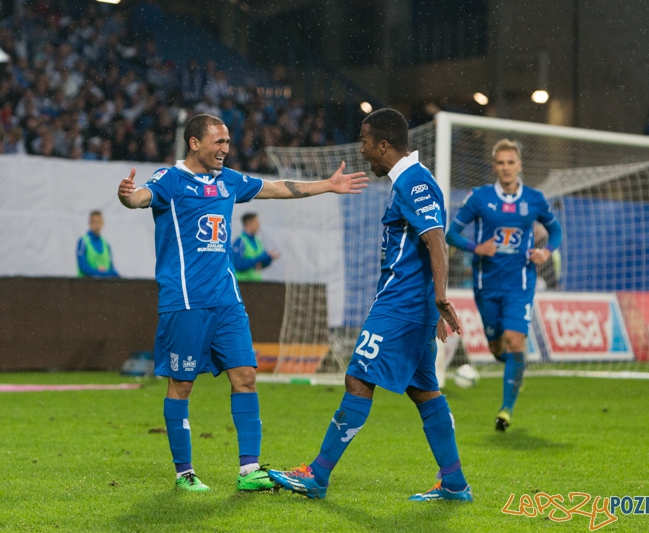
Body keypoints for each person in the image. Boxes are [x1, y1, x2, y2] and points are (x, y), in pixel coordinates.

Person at [116, 114, 368, 493]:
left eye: (228, 142)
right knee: (181, 384)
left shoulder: (228, 181)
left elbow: (277, 188)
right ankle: (184, 472)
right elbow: (140, 197)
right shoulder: (170, 179)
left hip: (227, 301)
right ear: (194, 143)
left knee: (246, 377)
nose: (225, 148)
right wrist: (127, 196)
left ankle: (249, 470)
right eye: (218, 142)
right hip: (185, 302)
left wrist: (328, 186)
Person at [268, 108, 472, 502]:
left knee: (358, 379)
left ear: (383, 145)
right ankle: (454, 483)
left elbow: (436, 241)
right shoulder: (408, 181)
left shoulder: (414, 182)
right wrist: (431, 304)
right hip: (411, 306)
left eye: (364, 142)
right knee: (424, 391)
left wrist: (440, 298)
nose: (361, 151)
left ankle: (317, 475)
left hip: (400, 306)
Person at [445, 139, 562, 432]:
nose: (506, 167)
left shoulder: (534, 199)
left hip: (520, 282)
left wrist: (546, 252)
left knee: (515, 340)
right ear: (494, 166)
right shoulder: (480, 197)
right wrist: (476, 247)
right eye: (501, 163)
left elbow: (555, 230)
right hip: (486, 283)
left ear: (519, 165)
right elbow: (451, 233)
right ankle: (516, 369)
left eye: (511, 162)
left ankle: (505, 410)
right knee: (498, 350)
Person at [231, 213, 279, 281]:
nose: (259, 225)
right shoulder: (240, 241)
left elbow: (259, 265)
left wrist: (268, 258)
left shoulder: (258, 242)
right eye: (256, 222)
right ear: (248, 223)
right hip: (242, 283)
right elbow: (237, 265)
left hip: (256, 283)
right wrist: (260, 258)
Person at [76, 210, 119, 278]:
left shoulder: (106, 243)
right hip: (86, 283)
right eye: (93, 222)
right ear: (89, 223)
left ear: (103, 223)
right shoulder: (83, 242)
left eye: (98, 221)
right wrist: (102, 274)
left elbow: (111, 267)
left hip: (104, 283)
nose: (96, 225)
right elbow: (83, 267)